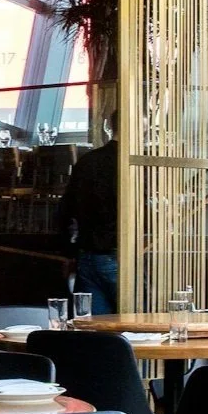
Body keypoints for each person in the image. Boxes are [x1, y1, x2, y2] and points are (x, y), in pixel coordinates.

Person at [60, 116, 119, 313]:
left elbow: (65, 211)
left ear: (109, 126)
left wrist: (68, 253)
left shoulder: (88, 161)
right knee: (137, 328)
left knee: (92, 330)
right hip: (119, 255)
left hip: (87, 256)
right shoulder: (136, 165)